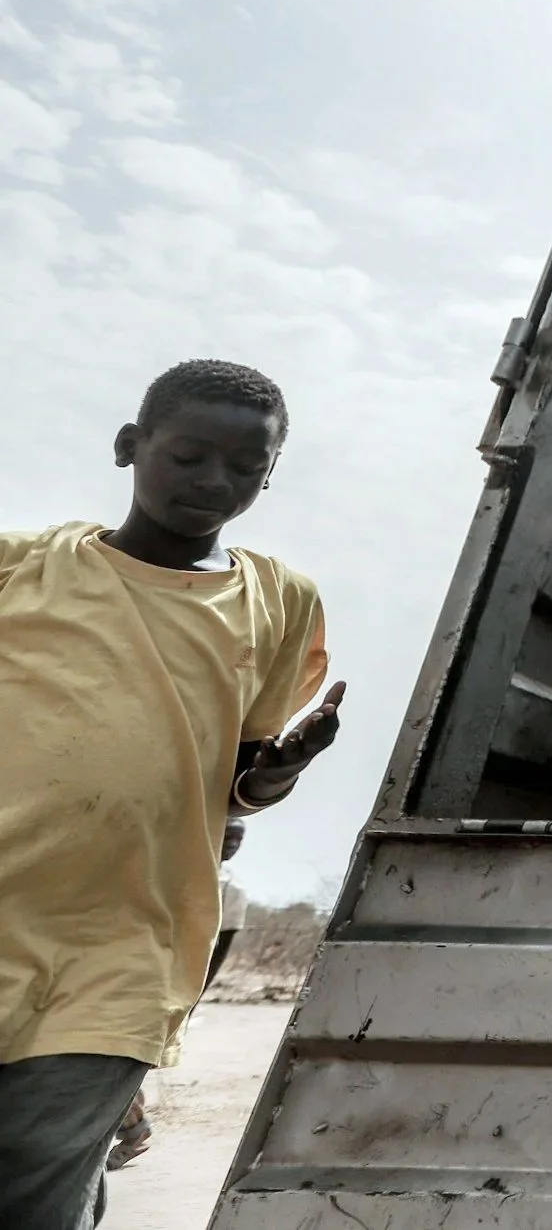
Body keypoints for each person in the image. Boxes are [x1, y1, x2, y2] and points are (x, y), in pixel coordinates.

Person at [0, 359, 343, 1230]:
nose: (214, 482)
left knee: (34, 1182)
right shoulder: (21, 571)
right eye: (189, 456)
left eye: (244, 469)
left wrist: (279, 771)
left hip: (121, 947)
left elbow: (235, 781)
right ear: (131, 447)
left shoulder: (279, 602)